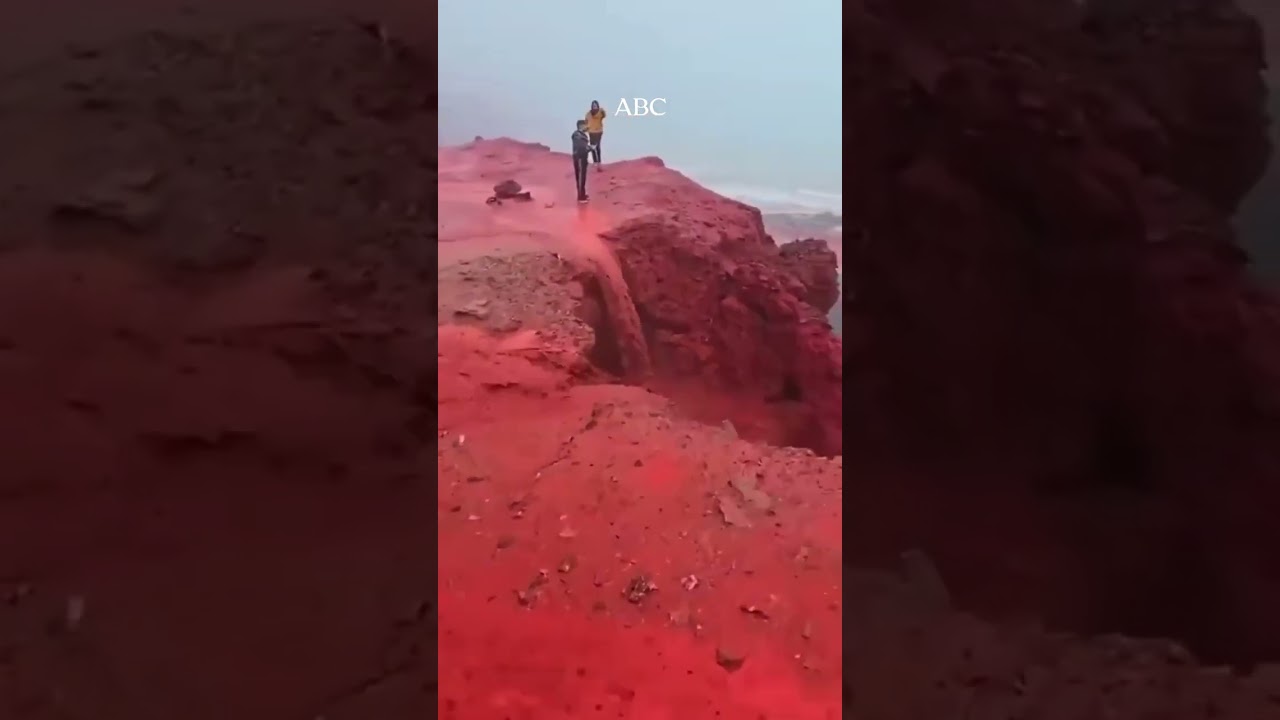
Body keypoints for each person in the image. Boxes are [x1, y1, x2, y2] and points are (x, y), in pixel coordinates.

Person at [571, 118, 593, 203]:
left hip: (583, 158)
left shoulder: (582, 135)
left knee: (582, 178)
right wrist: (589, 148)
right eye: (585, 125)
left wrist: (590, 148)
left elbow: (584, 147)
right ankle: (581, 197)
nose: (586, 127)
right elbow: (581, 147)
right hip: (579, 158)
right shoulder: (577, 134)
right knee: (580, 177)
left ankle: (582, 194)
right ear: (581, 126)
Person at [584, 100, 606, 170]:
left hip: (598, 131)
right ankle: (595, 162)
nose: (594, 107)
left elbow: (604, 115)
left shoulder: (600, 113)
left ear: (597, 106)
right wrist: (585, 129)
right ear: (592, 106)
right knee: (592, 147)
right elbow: (586, 122)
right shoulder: (588, 114)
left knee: (598, 146)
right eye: (593, 105)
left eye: (596, 105)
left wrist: (602, 111)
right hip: (591, 132)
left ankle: (599, 162)